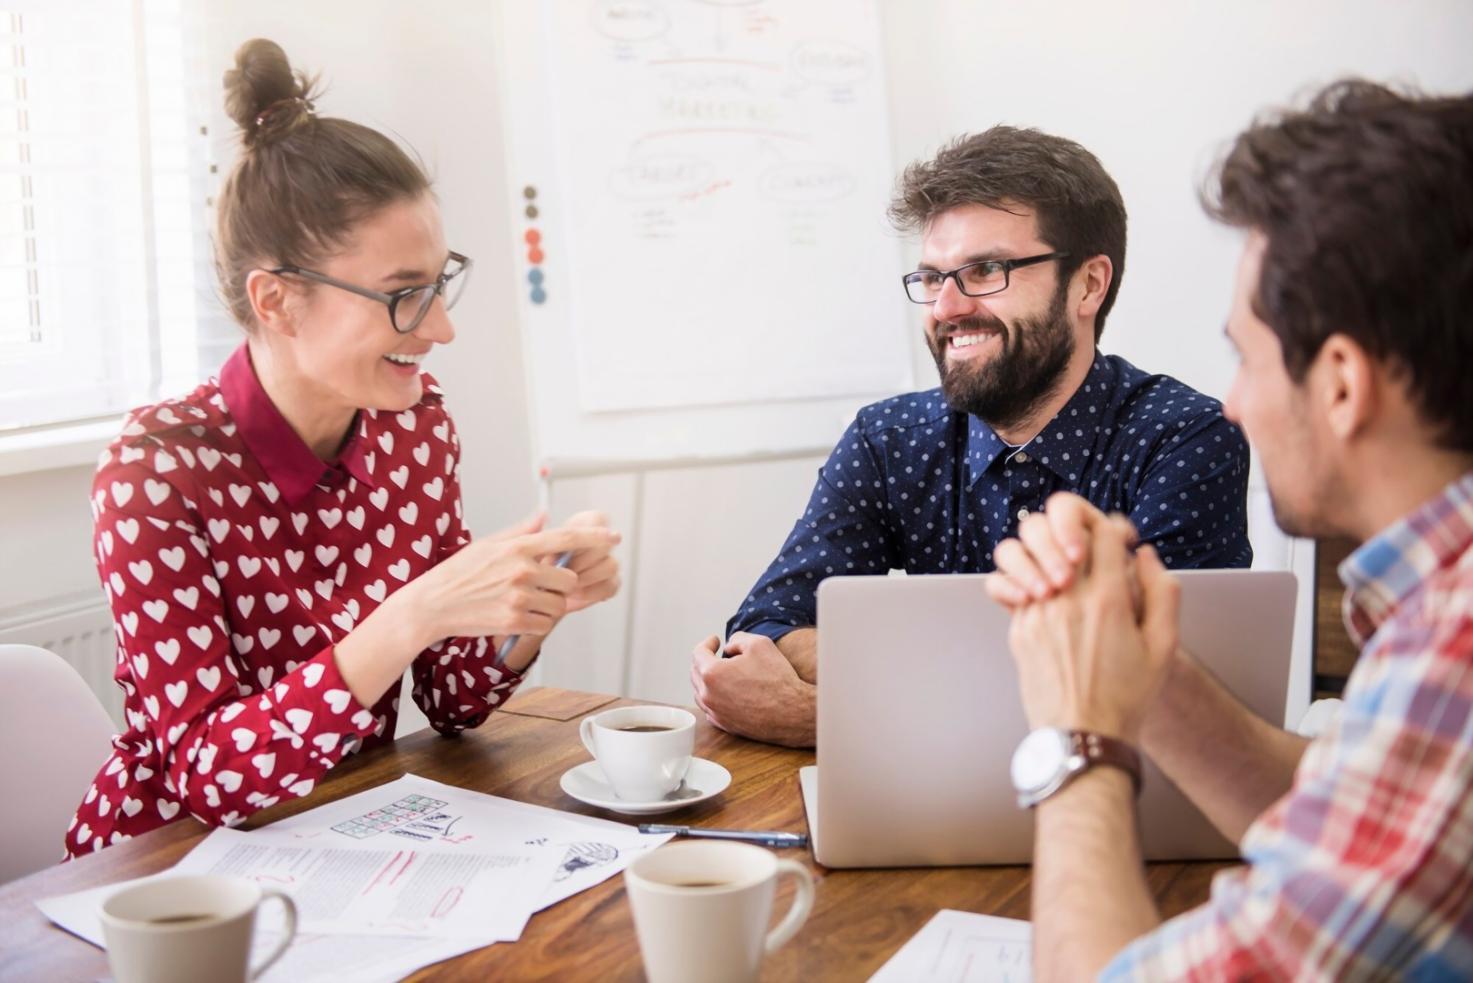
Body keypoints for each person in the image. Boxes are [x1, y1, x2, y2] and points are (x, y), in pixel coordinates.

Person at [64, 40, 621, 857]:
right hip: (168, 865)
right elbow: (205, 775)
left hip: (345, 832)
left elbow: (451, 697)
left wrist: (529, 610)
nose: (440, 328)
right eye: (404, 295)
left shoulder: (416, 426)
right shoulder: (157, 471)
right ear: (278, 301)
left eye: (440, 282)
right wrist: (405, 620)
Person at [989, 80, 1473, 978]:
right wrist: (1145, 667)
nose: (1233, 402)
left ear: (1339, 383)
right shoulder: (1440, 611)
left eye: (1246, 357)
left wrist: (1076, 740)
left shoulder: (1456, 650)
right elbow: (1356, 820)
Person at [692, 127, 1253, 747]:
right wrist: (976, 691)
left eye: (985, 270)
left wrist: (833, 719)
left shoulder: (1184, 440)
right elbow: (766, 631)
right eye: (933, 278)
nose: (946, 308)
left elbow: (1155, 699)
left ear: (1088, 285)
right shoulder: (889, 440)